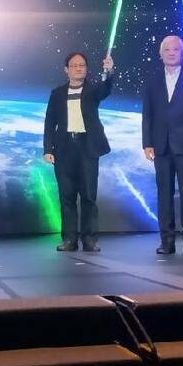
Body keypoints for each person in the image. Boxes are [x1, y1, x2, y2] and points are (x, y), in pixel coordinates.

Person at [142, 35, 183, 255]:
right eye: (167, 50)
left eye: (176, 49)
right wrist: (147, 143)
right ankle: (167, 241)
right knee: (164, 194)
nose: (171, 53)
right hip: (161, 145)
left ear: (182, 53)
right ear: (160, 54)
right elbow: (147, 114)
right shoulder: (153, 80)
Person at [43, 52, 114, 252]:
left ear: (86, 69)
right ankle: (69, 240)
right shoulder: (57, 94)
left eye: (82, 65)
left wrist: (109, 72)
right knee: (66, 197)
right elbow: (50, 123)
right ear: (66, 69)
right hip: (64, 149)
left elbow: (106, 89)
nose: (78, 68)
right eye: (74, 65)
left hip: (87, 148)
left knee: (89, 197)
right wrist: (48, 149)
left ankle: (89, 240)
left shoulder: (93, 91)